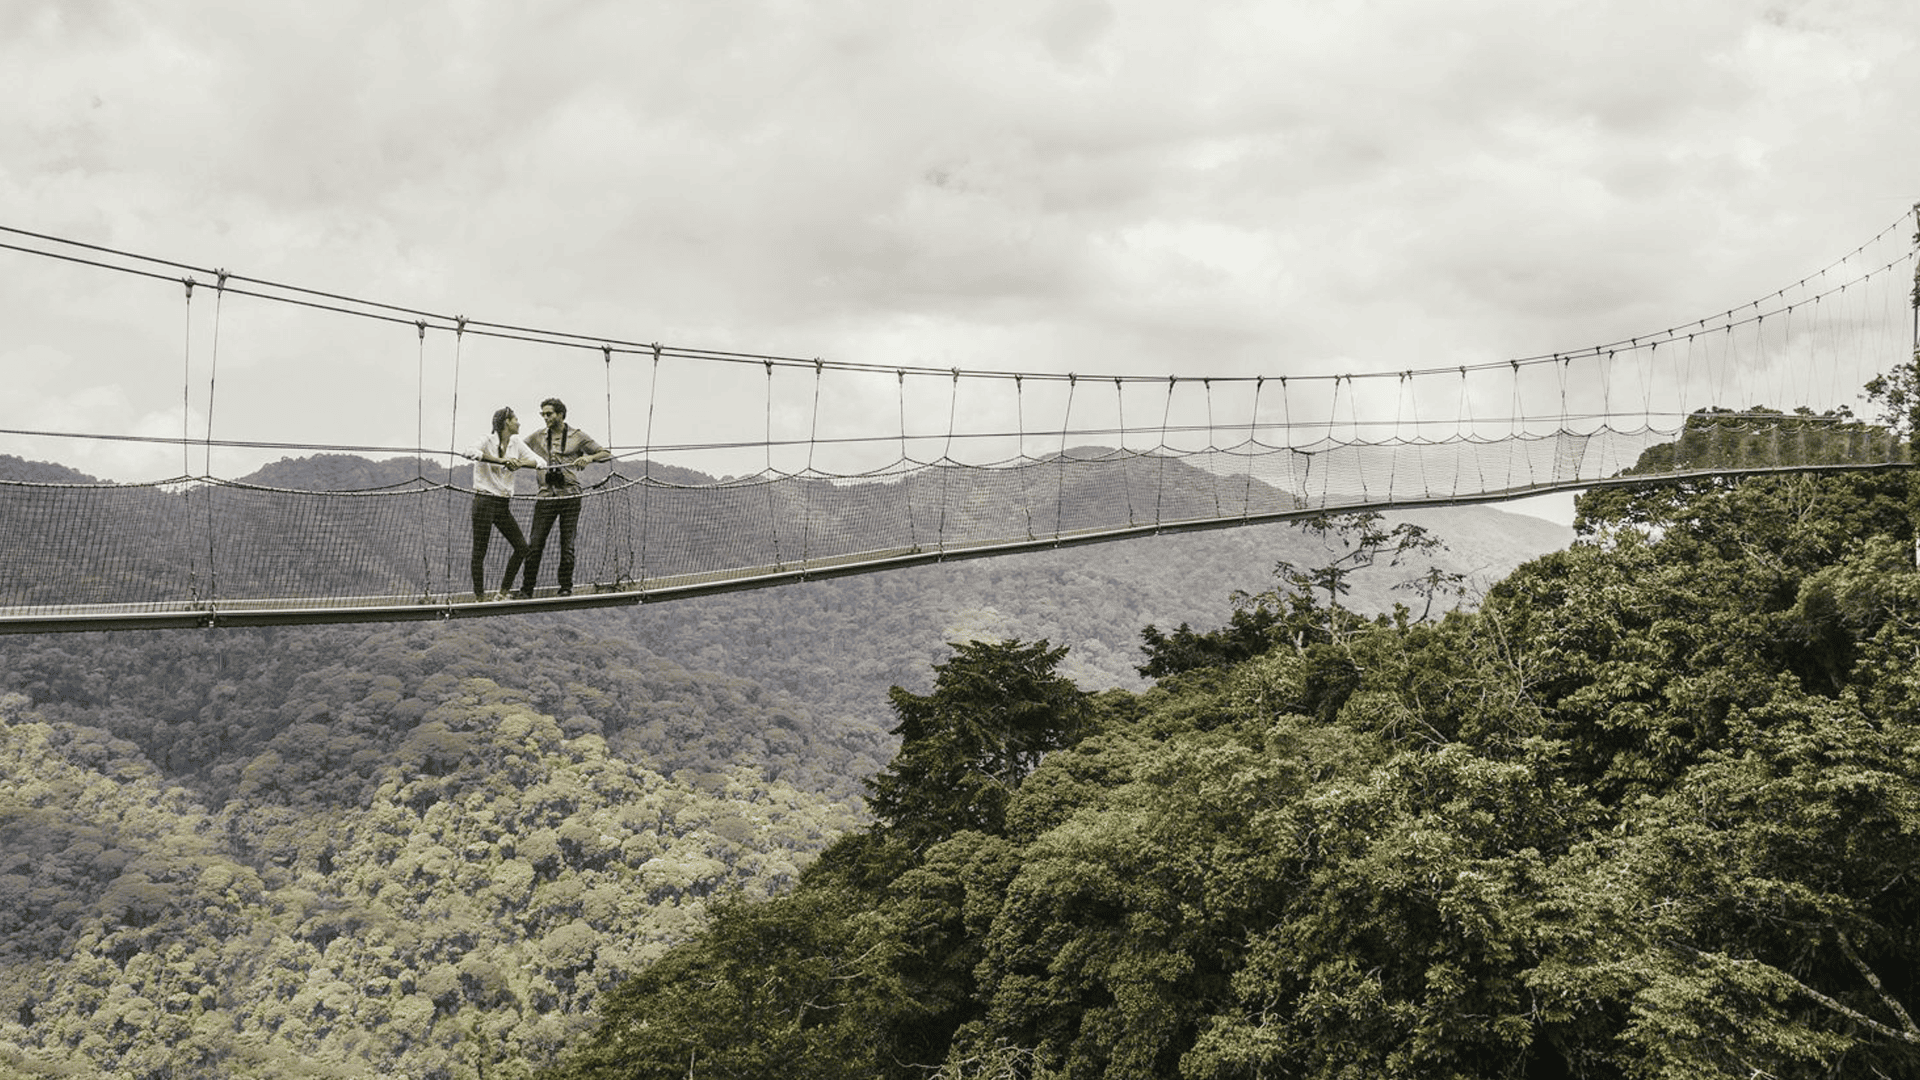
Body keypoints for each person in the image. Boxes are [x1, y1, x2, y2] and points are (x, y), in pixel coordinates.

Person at [516, 397, 613, 597]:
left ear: (560, 414)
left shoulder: (577, 436)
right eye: (543, 414)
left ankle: (566, 587)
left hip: (570, 495)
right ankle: (526, 589)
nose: (545, 418)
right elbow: (517, 449)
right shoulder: (538, 436)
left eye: (549, 414)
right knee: (534, 545)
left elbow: (605, 453)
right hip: (545, 495)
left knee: (567, 544)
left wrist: (589, 457)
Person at [464, 406, 540, 601]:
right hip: (484, 501)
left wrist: (518, 463)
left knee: (522, 547)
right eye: (516, 419)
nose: (519, 423)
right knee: (480, 551)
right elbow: (469, 452)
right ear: (507, 421)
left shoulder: (515, 442)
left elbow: (540, 462)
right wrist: (500, 461)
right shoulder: (487, 440)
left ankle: (502, 592)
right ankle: (480, 597)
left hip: (502, 504)